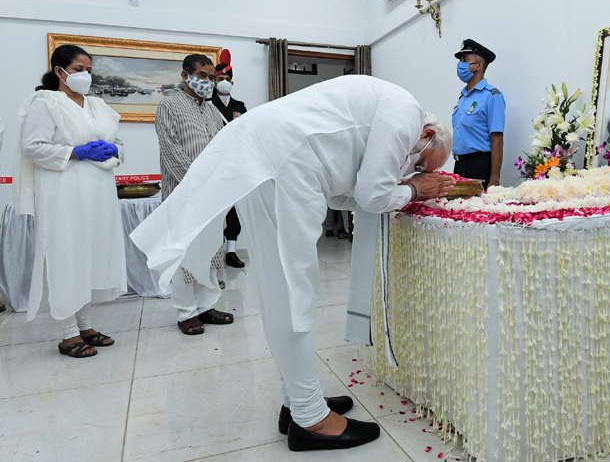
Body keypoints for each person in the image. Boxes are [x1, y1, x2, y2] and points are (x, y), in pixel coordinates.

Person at [131, 75, 455, 452]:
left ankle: (298, 402)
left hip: (278, 160)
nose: (412, 170)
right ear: (427, 134)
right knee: (290, 289)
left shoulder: (387, 112)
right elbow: (371, 196)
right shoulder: (407, 112)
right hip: (282, 163)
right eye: (420, 164)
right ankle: (311, 419)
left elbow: (343, 195)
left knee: (283, 287)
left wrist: (405, 191)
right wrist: (416, 189)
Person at [14, 44, 126, 358]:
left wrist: (114, 151)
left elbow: (117, 142)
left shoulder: (98, 105)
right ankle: (67, 334)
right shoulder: (46, 103)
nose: (85, 75)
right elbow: (32, 147)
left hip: (98, 195)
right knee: (66, 258)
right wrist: (74, 152)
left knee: (87, 258)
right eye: (79, 69)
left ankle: (86, 326)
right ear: (60, 71)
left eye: (89, 70)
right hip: (62, 195)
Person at [154, 53, 233, 335]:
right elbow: (170, 148)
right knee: (185, 254)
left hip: (212, 195)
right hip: (182, 193)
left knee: (211, 250)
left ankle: (206, 306)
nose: (208, 82)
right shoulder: (169, 105)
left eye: (211, 77)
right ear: (185, 75)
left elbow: (222, 150)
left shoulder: (213, 112)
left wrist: (218, 182)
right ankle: (186, 313)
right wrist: (196, 183)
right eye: (202, 76)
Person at [452, 39, 506, 189]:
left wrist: (494, 177)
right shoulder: (463, 98)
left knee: (477, 210)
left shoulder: (492, 96)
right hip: (460, 165)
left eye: (465, 60)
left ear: (479, 65)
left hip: (480, 165)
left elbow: (497, 138)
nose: (460, 64)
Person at [211, 49, 247, 268]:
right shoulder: (207, 106)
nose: (224, 82)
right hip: (213, 164)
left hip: (234, 164)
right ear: (214, 82)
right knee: (214, 211)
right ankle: (212, 254)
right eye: (220, 79)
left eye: (227, 79)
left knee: (234, 211)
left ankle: (231, 252)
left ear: (232, 82)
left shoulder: (240, 107)